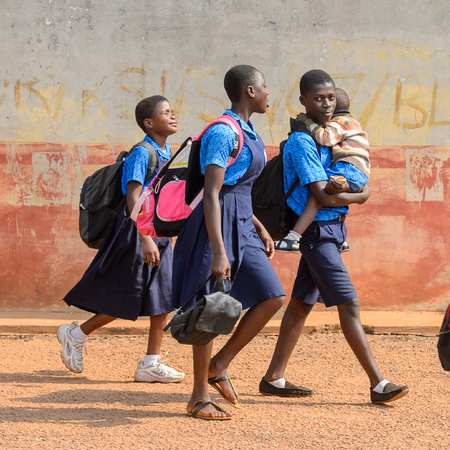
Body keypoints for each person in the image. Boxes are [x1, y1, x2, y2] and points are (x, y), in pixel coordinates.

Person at [260, 69, 409, 404]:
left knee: (300, 305)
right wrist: (362, 196)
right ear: (304, 101)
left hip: (331, 229)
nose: (326, 104)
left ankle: (272, 376)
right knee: (349, 303)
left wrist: (353, 191)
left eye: (330, 97)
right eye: (317, 98)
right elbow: (323, 196)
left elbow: (343, 177)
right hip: (315, 232)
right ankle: (378, 383)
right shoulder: (301, 141)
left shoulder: (332, 134)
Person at [172, 65, 286, 420]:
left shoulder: (248, 129)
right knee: (210, 307)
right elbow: (211, 194)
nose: (269, 92)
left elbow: (240, 189)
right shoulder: (223, 131)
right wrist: (219, 252)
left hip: (241, 220)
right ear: (249, 91)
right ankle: (198, 396)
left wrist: (260, 227)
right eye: (264, 87)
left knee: (273, 296)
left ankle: (219, 363)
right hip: (214, 226)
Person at [57, 95, 184, 384]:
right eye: (166, 112)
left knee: (163, 295)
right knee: (128, 294)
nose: (173, 116)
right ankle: (75, 334)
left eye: (172, 111)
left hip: (156, 231)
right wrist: (145, 237)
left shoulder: (166, 151)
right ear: (149, 122)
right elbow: (133, 197)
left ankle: (151, 362)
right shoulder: (143, 152)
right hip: (136, 231)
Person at [275, 87, 370, 253]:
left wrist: (306, 121)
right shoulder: (355, 123)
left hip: (347, 168)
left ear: (334, 109)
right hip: (359, 172)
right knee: (334, 191)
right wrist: (362, 195)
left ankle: (293, 237)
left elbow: (324, 137)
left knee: (316, 198)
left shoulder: (339, 123)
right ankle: (343, 238)